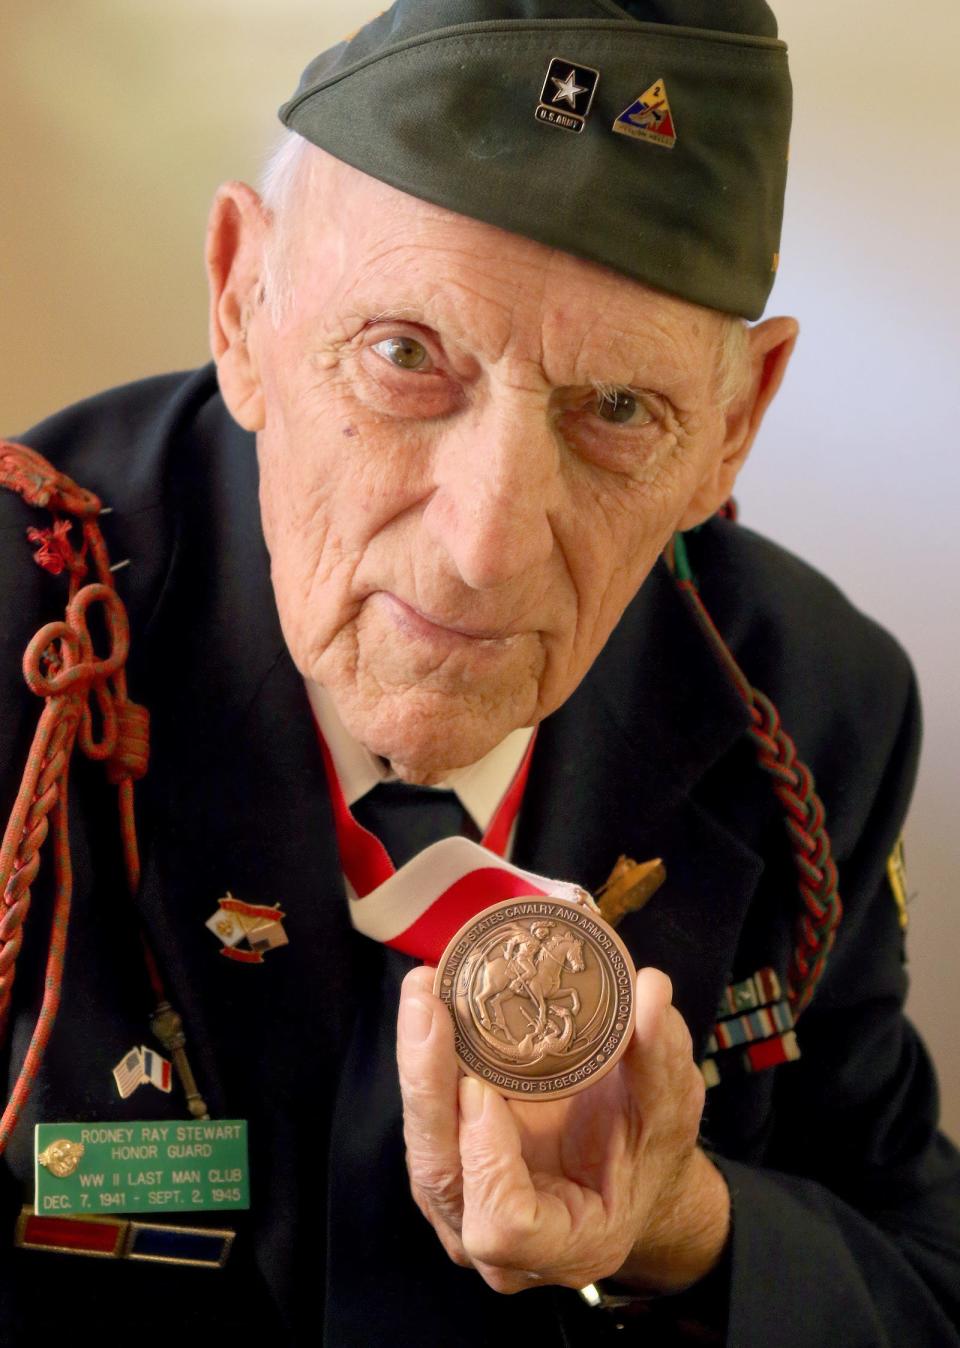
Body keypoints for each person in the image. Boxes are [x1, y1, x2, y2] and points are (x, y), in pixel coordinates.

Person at [0, 1, 957, 1344]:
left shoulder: (811, 704)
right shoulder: (18, 624)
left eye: (619, 409)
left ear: (733, 425)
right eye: (405, 357)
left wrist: (683, 1227)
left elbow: (924, 1281)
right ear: (243, 301)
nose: (487, 552)